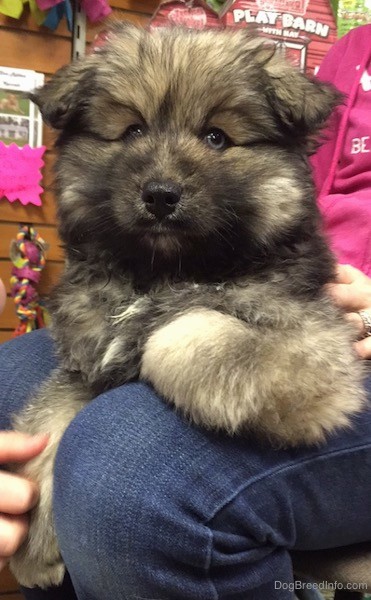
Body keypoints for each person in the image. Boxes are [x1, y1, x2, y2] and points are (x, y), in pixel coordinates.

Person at [1, 24, 371, 600]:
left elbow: (313, 393)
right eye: (131, 130)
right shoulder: (353, 51)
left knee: (127, 468)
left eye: (217, 137)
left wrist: (183, 346)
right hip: (141, 283)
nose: (164, 176)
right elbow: (85, 374)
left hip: (326, 335)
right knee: (12, 384)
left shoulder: (277, 263)